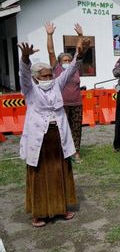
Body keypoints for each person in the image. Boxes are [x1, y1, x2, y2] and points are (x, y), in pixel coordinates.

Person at [18, 34, 89, 228]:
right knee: (40, 173)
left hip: (57, 136)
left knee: (61, 171)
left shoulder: (57, 84)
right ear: (36, 78)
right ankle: (39, 212)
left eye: (50, 75)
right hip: (38, 139)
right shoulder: (30, 89)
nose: (49, 78)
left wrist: (80, 55)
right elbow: (23, 75)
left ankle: (62, 207)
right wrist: (25, 59)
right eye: (44, 76)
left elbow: (71, 69)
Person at [45, 22, 84, 163]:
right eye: (65, 60)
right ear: (60, 62)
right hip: (61, 105)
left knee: (76, 129)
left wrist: (80, 36)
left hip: (77, 104)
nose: (67, 61)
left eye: (69, 60)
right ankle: (63, 153)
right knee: (62, 129)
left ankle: (76, 152)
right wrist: (49, 35)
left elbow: (79, 52)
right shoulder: (57, 69)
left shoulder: (74, 69)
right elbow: (51, 51)